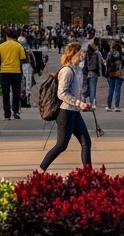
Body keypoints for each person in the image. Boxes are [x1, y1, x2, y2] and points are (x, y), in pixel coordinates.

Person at [38, 42, 93, 172]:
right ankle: (39, 171)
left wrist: (83, 103)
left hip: (74, 112)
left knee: (86, 142)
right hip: (65, 113)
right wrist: (79, 103)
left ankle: (88, 174)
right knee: (61, 145)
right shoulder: (67, 71)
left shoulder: (76, 70)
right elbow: (62, 93)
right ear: (73, 53)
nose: (83, 55)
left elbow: (75, 92)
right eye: (81, 52)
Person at [0, 30, 26, 120]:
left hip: (4, 71)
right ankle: (15, 111)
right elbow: (23, 58)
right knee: (16, 93)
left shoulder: (1, 46)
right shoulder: (18, 46)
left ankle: (7, 113)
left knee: (6, 93)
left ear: (6, 36)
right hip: (16, 71)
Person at [104, 40, 124, 111]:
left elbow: (107, 64)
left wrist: (106, 73)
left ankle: (109, 106)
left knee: (111, 89)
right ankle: (116, 106)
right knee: (118, 89)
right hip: (119, 73)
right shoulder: (121, 54)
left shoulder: (110, 54)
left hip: (111, 73)